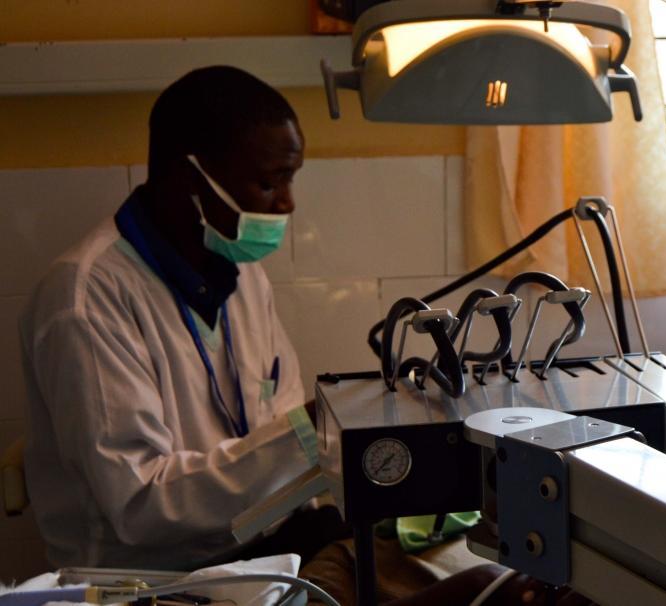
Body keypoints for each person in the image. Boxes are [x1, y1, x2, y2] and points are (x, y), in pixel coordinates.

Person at [19, 65, 575, 605]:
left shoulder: (237, 275)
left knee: (498, 580)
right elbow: (142, 505)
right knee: (469, 593)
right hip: (154, 582)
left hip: (265, 547)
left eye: (291, 178)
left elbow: (277, 433)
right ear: (190, 181)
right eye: (269, 181)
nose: (287, 203)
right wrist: (319, 427)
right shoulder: (87, 302)